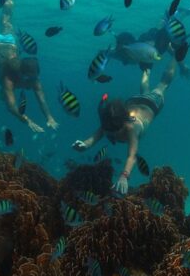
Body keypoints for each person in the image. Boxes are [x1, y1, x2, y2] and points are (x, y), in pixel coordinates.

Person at [72, 58, 177, 194]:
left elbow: (132, 155)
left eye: (115, 131)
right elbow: (97, 135)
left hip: (151, 104)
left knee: (162, 85)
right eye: (110, 131)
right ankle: (147, 69)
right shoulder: (109, 123)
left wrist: (124, 176)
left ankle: (174, 56)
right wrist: (85, 145)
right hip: (133, 102)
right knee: (144, 91)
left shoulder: (131, 128)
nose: (113, 134)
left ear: (124, 123)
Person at [0, 0, 58, 133]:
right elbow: (11, 106)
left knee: (6, 18)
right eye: (29, 79)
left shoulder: (32, 78)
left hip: (9, 43)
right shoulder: (8, 80)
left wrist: (49, 117)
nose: (31, 83)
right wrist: (27, 120)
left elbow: (40, 100)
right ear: (23, 74)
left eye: (33, 79)